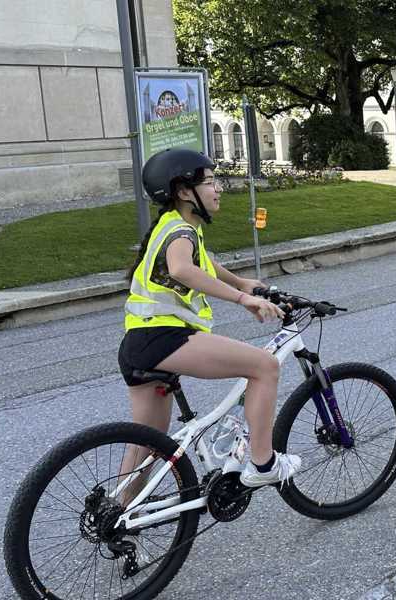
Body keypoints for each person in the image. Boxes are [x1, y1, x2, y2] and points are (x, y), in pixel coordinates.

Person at [119, 148, 301, 490]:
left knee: (148, 445)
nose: (218, 188)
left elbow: (201, 261)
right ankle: (263, 463)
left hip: (138, 344)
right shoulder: (181, 233)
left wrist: (240, 281)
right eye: (210, 182)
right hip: (165, 338)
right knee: (265, 366)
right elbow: (182, 268)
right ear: (184, 191)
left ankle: (116, 514)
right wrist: (242, 298)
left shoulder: (175, 226)